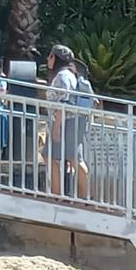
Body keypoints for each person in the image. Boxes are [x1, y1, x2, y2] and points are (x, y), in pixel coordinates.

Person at [46, 45, 89, 198]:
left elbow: (64, 102)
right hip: (71, 121)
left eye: (50, 56)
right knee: (69, 157)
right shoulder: (69, 75)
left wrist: (56, 128)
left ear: (55, 58)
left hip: (66, 122)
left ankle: (61, 195)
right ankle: (82, 197)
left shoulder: (62, 76)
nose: (48, 59)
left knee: (61, 157)